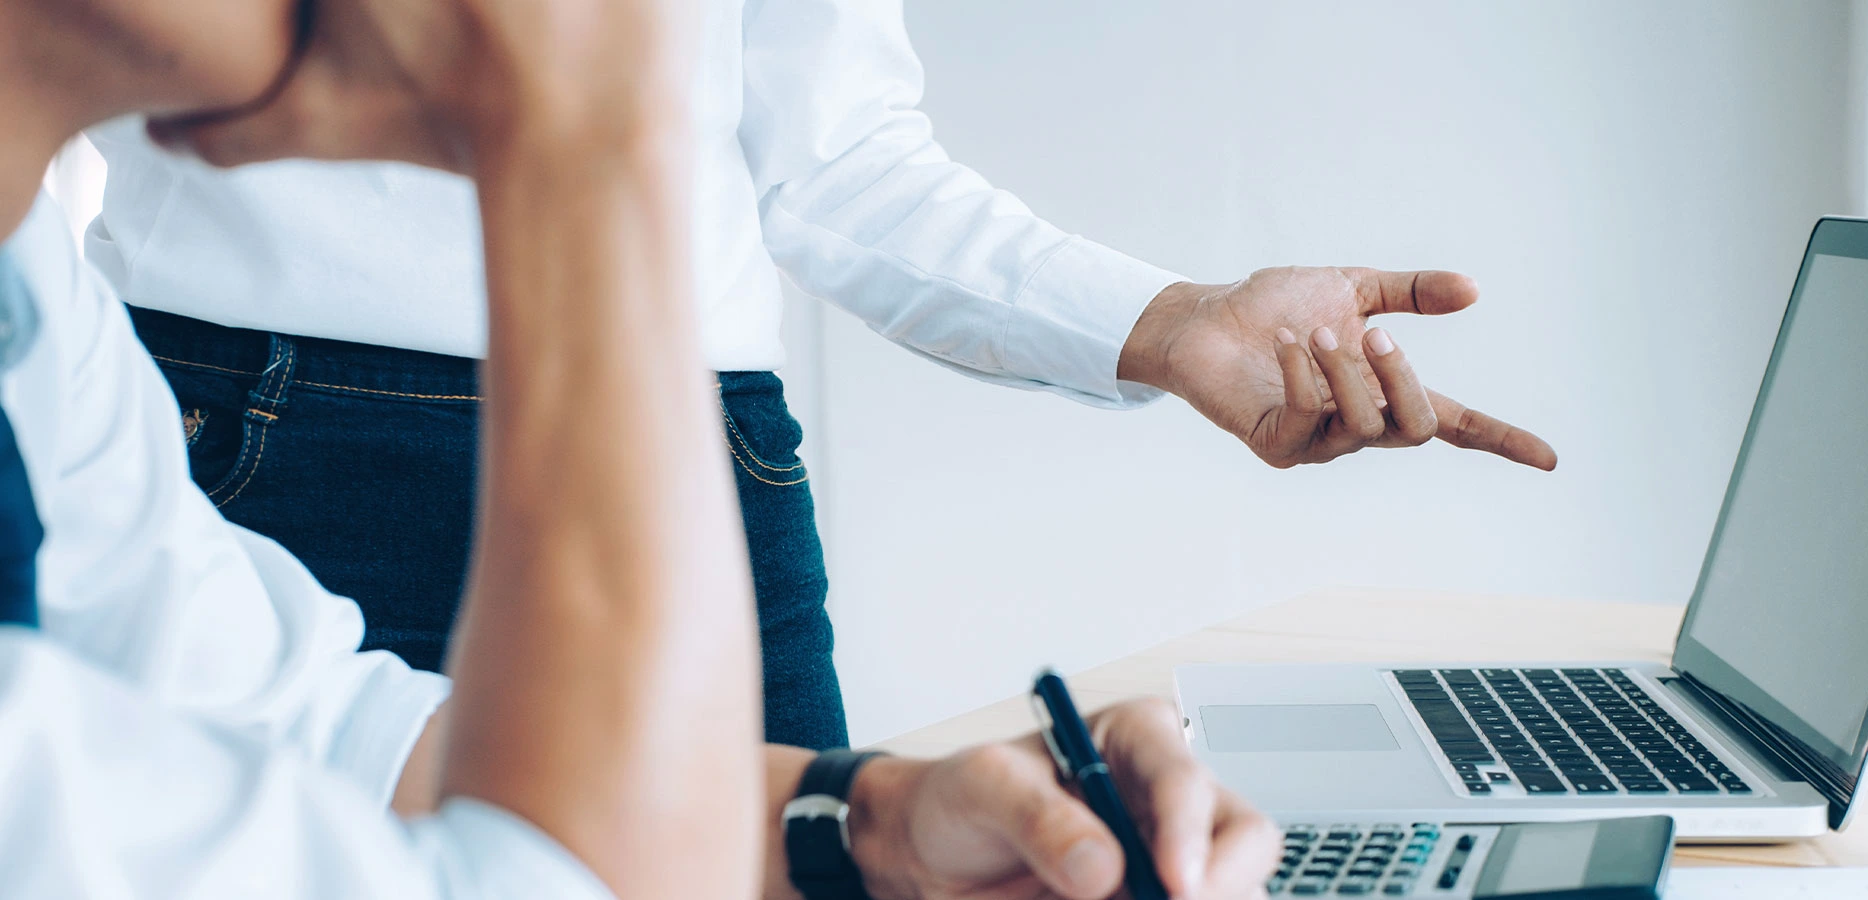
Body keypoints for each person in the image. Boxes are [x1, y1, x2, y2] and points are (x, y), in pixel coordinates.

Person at [0, 0, 1278, 896]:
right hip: (261, 398)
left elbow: (319, 728)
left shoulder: (40, 323)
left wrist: (873, 819)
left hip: (678, 421)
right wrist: (571, 140)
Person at [93, 0, 1558, 752]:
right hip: (258, 432)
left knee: (802, 855)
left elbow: (835, 155)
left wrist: (1165, 322)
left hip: (687, 450)